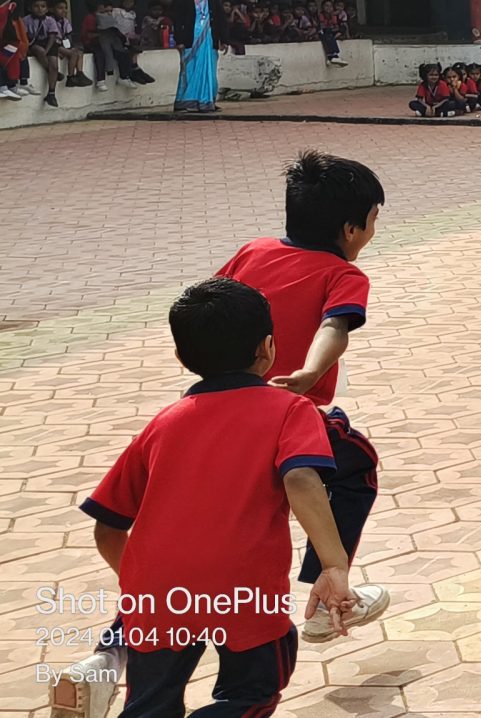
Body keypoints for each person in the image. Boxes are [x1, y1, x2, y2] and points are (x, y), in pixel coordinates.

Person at [57, 278, 371, 718]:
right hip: (246, 590)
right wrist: (334, 565)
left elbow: (108, 525)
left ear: (181, 357)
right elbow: (301, 477)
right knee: (252, 695)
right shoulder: (290, 410)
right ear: (268, 348)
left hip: (159, 594)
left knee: (150, 704)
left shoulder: (162, 424)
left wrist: (143, 587)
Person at [209, 152, 397, 646]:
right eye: (374, 219)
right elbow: (336, 325)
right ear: (352, 229)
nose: (374, 230)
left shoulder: (252, 251)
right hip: (286, 414)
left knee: (208, 525)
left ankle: (115, 648)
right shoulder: (344, 276)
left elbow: (207, 306)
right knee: (357, 466)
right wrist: (311, 372)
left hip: (217, 408)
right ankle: (328, 595)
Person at [172, 0, 228, 115]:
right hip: (190, 38)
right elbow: (177, 20)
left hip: (209, 38)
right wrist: (179, 40)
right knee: (190, 69)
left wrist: (224, 40)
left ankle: (206, 101)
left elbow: (221, 20)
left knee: (209, 70)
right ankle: (187, 101)